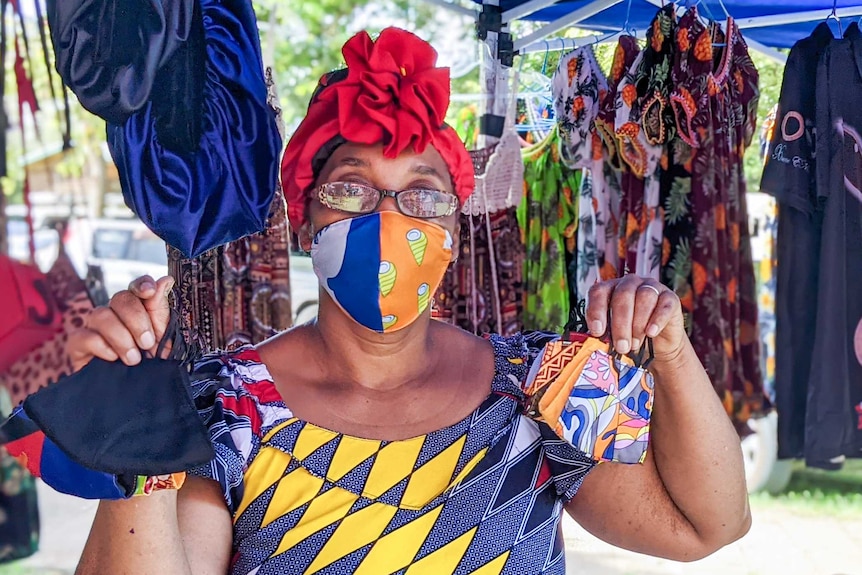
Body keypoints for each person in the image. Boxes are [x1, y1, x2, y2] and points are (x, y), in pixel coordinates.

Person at [68, 28, 750, 575]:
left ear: (454, 231)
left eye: (421, 195)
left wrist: (674, 347)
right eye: (352, 188)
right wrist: (140, 433)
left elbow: (705, 525)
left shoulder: (542, 382)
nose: (388, 217)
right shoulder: (228, 406)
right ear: (307, 222)